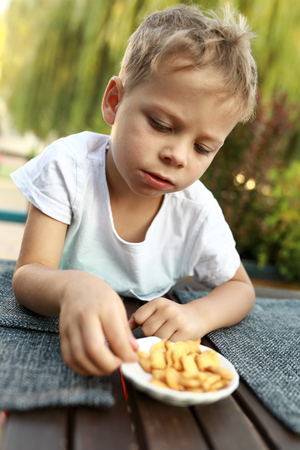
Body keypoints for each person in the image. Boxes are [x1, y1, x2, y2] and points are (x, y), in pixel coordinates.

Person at [11, 4, 257, 376]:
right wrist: (70, 287)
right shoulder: (69, 167)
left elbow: (240, 288)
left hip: (140, 361)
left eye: (202, 148)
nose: (177, 156)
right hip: (48, 346)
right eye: (161, 125)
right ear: (114, 101)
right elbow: (28, 274)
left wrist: (197, 315)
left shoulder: (196, 212)